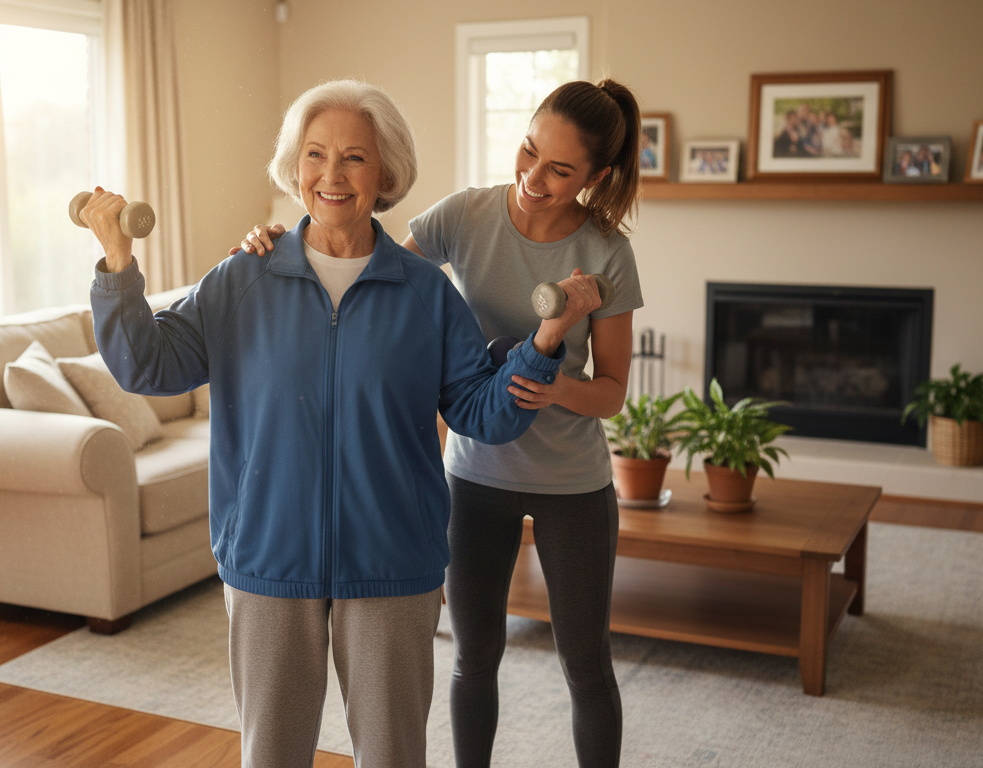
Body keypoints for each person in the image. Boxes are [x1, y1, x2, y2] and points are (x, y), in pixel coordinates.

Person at [80, 79, 596, 768]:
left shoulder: (423, 293)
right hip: (267, 560)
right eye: (316, 154)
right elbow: (147, 365)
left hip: (392, 564)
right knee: (273, 756)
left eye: (354, 157)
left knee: (391, 756)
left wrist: (543, 343)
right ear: (295, 168)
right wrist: (119, 262)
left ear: (385, 174)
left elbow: (482, 412)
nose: (331, 174)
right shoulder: (243, 279)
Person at [237, 78, 644, 768]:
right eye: (528, 152)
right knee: (474, 655)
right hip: (476, 472)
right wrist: (286, 246)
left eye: (560, 170)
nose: (534, 177)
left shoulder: (607, 253)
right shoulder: (466, 215)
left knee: (585, 661)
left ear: (597, 177)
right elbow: (375, 278)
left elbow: (610, 394)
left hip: (570, 481)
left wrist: (552, 385)